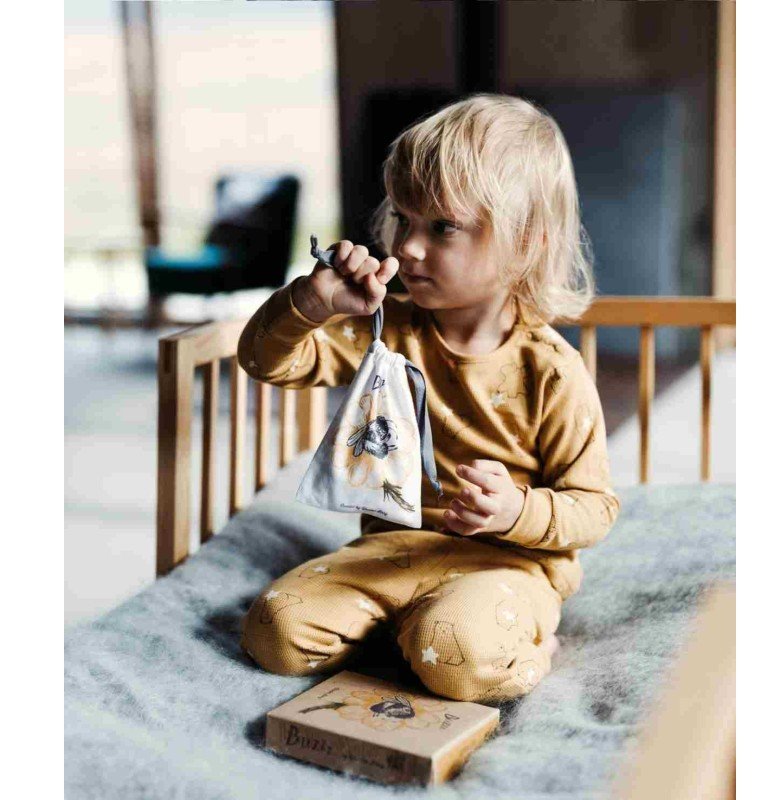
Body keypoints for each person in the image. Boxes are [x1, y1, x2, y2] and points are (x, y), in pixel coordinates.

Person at [237, 94, 621, 704]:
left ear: (526, 241)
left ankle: (518, 647)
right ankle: (408, 634)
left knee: (457, 651)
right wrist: (310, 306)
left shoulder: (551, 370)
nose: (407, 248)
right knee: (273, 629)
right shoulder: (386, 331)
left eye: (442, 227)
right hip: (391, 553)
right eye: (404, 220)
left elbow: (594, 508)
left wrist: (515, 512)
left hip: (507, 567)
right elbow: (265, 362)